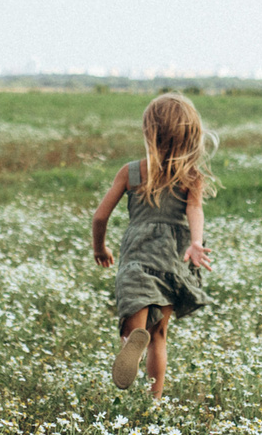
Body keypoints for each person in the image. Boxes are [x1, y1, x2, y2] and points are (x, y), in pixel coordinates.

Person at [90, 93, 215, 396]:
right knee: (159, 335)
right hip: (170, 261)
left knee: (136, 328)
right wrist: (195, 242)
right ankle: (154, 400)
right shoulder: (190, 176)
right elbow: (194, 210)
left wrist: (100, 248)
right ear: (190, 134)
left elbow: (100, 217)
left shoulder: (131, 172)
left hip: (136, 258)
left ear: (149, 131)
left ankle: (130, 342)